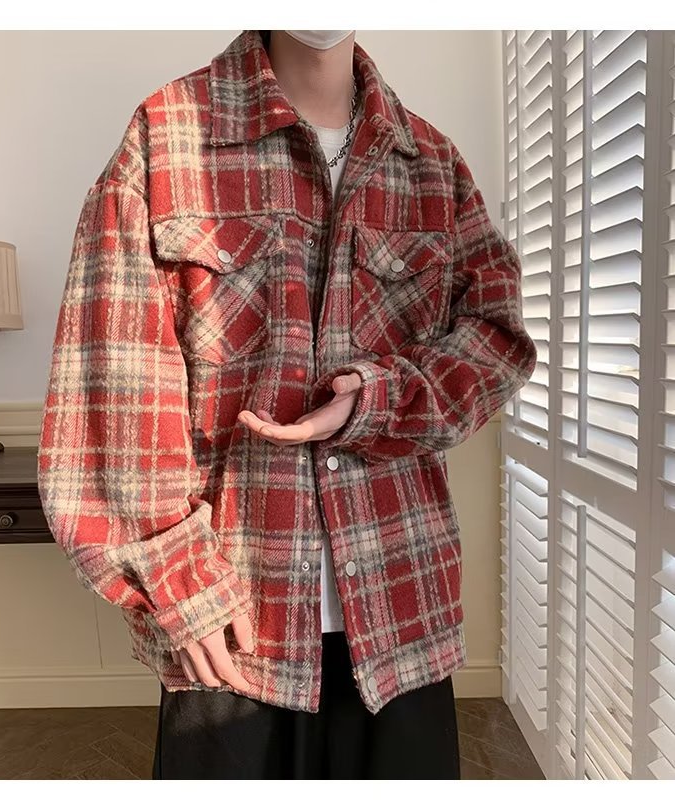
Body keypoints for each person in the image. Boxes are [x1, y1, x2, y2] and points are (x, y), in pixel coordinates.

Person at [37, 29, 537, 779]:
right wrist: (179, 583)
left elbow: (496, 338)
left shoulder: (430, 163)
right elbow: (111, 379)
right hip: (235, 618)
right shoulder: (168, 137)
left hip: (401, 604)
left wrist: (376, 399)